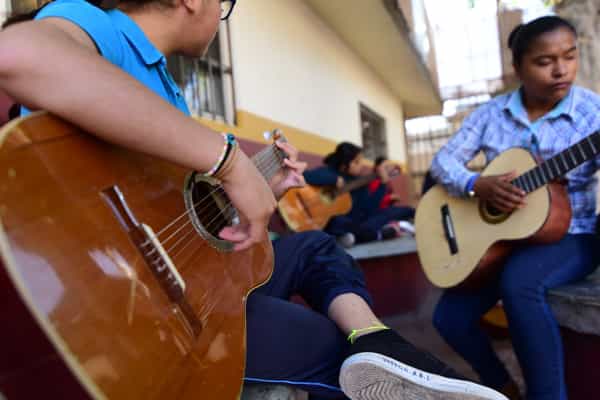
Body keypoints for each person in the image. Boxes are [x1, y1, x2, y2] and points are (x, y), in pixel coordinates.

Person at [0, 1, 507, 399]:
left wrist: (261, 185)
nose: (221, 18)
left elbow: (173, 209)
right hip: (135, 303)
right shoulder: (96, 25)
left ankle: (377, 341)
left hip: (192, 277)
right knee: (327, 347)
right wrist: (230, 161)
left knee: (313, 246)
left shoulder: (169, 92)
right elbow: (18, 56)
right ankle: (374, 363)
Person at [430, 16, 600, 400]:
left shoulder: (592, 114)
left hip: (572, 236)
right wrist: (477, 184)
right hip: (507, 242)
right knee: (448, 318)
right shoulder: (492, 115)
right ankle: (501, 386)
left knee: (521, 284)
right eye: (544, 62)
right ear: (518, 67)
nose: (561, 70)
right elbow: (443, 162)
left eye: (569, 57)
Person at [304, 142, 415, 247]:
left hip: (355, 222)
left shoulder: (359, 183)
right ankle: (376, 234)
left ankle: (352, 237)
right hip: (331, 223)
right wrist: (333, 178)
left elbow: (370, 210)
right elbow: (306, 176)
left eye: (360, 161)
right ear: (343, 165)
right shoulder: (329, 171)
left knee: (403, 210)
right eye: (356, 162)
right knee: (337, 222)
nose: (361, 165)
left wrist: (382, 184)